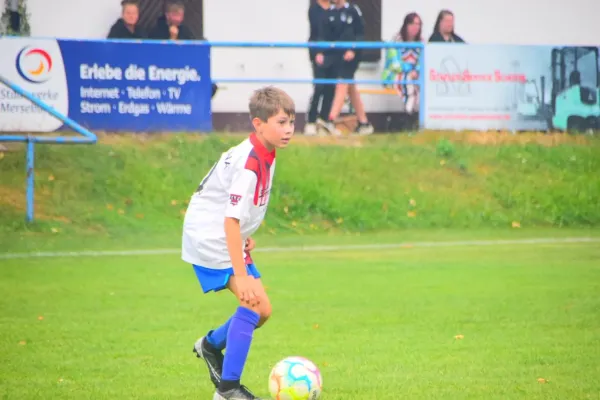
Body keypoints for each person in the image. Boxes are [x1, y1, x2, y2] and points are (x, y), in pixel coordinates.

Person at [182, 86, 295, 400]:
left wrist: (245, 234)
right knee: (252, 302)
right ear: (258, 124)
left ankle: (210, 345)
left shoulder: (264, 152)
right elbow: (229, 220)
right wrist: (241, 273)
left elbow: (234, 213)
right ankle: (228, 390)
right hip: (210, 235)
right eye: (281, 122)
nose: (288, 130)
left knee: (263, 310)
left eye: (291, 122)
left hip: (222, 231)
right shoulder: (250, 163)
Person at [315, 0, 374, 136]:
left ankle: (330, 119)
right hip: (338, 57)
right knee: (350, 87)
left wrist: (353, 49)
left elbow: (360, 33)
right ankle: (364, 123)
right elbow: (326, 35)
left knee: (342, 82)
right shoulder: (331, 12)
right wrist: (320, 52)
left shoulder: (353, 11)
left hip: (351, 56)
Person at [381, 12, 422, 113]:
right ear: (406, 25)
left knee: (423, 81)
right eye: (412, 24)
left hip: (415, 75)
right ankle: (409, 112)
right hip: (394, 74)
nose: (415, 27)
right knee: (408, 80)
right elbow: (395, 64)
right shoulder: (395, 41)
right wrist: (410, 70)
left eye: (418, 24)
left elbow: (423, 61)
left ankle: (417, 113)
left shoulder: (421, 42)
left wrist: (416, 70)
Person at [305, 0, 331, 136]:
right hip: (318, 52)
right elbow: (316, 31)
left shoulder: (334, 8)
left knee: (330, 88)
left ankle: (324, 120)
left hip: (333, 53)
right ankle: (311, 120)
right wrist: (318, 52)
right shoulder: (314, 8)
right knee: (319, 86)